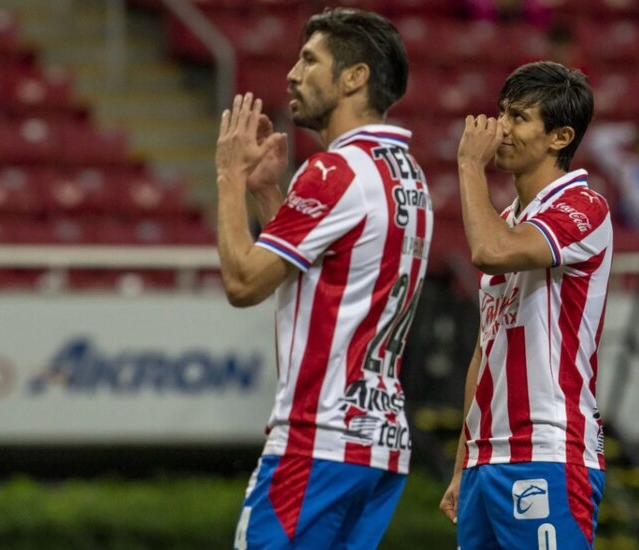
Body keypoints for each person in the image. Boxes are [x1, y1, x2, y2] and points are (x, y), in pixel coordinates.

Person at [214, 8, 432, 549]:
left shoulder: (335, 170)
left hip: (319, 439)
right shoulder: (407, 175)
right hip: (377, 445)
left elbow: (244, 282)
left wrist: (228, 176)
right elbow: (332, 266)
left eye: (310, 60)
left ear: (354, 77)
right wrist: (269, 196)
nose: (292, 73)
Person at [437, 61, 611, 550]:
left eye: (518, 117)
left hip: (548, 449)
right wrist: (463, 462)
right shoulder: (511, 218)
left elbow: (490, 251)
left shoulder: (583, 207)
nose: (500, 129)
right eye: (501, 113)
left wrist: (469, 166)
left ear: (559, 137)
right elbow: (484, 351)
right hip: (486, 461)